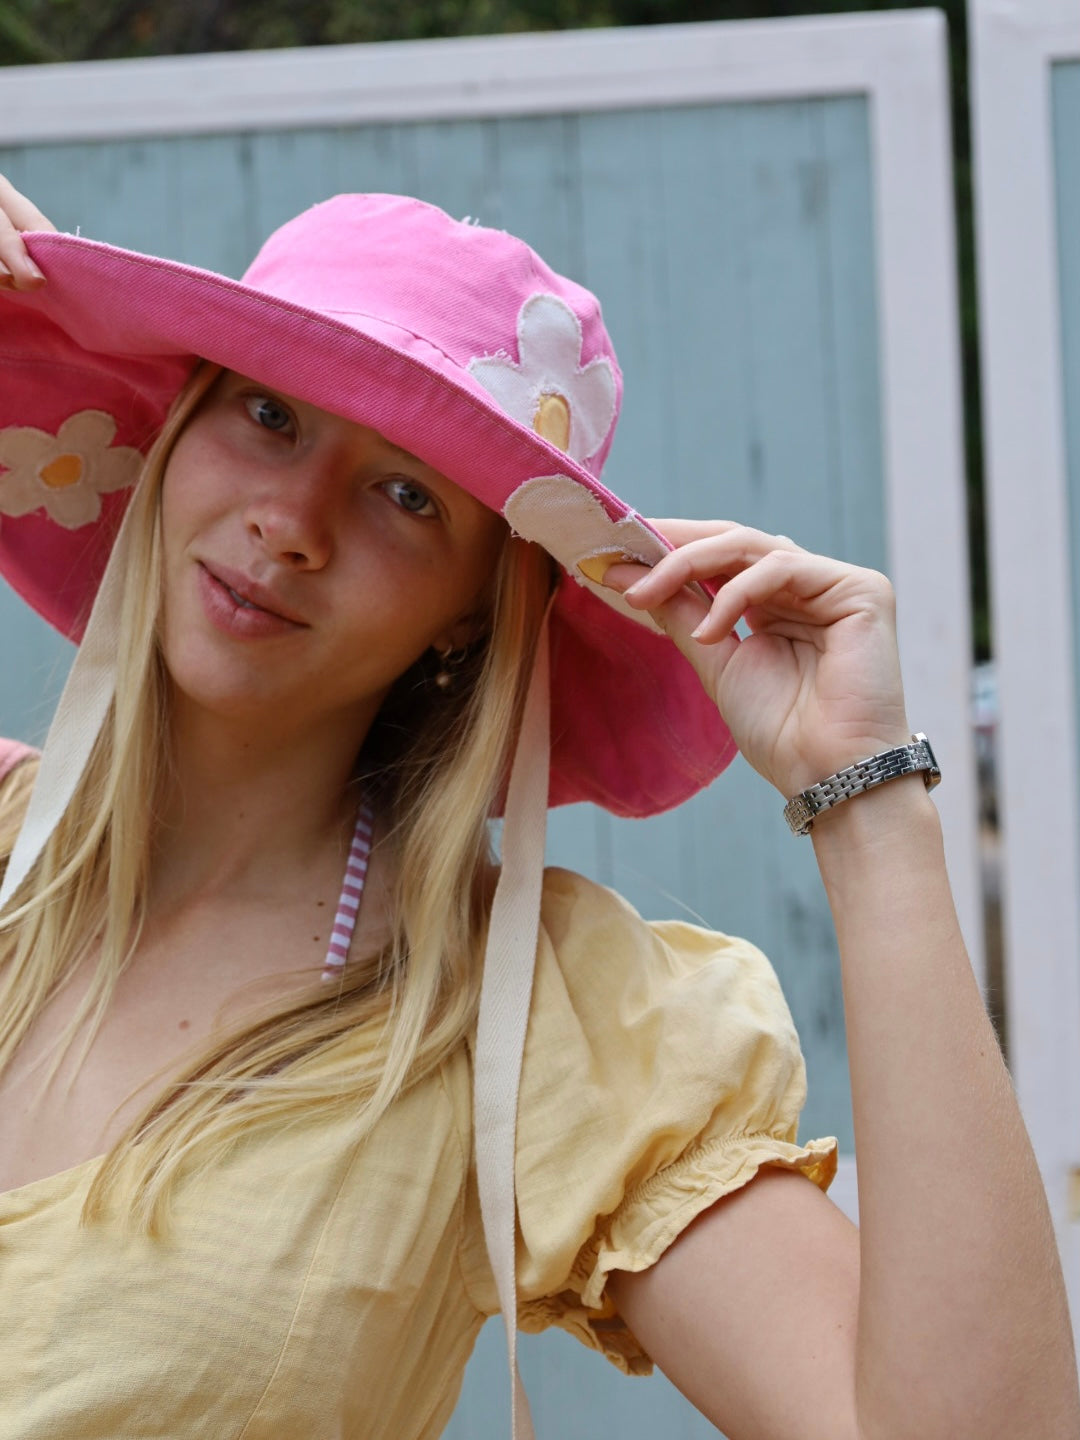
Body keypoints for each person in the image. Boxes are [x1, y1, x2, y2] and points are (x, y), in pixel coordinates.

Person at [0, 173, 1076, 1440]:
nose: (289, 523)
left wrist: (871, 811)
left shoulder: (527, 1021)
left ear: (471, 611)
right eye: (269, 413)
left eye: (407, 495)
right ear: (175, 433)